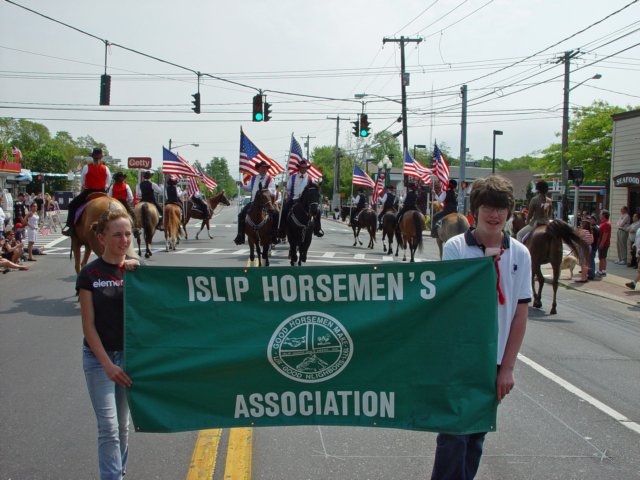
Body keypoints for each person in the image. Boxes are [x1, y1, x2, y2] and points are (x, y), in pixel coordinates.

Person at [432, 175, 531, 480]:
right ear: (476, 210)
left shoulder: (521, 253)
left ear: (509, 212)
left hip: (494, 359)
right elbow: (450, 303)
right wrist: (483, 267)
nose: (495, 215)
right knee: (453, 437)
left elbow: (520, 313)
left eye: (501, 208)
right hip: (459, 358)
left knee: (475, 437)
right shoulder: (456, 248)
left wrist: (507, 367)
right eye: (488, 207)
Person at [77, 209, 140, 480]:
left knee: (123, 426)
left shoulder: (137, 272)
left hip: (129, 357)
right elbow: (88, 325)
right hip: (99, 359)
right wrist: (106, 365)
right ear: (101, 238)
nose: (124, 240)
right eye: (117, 235)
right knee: (109, 427)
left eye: (128, 234)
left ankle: (119, 470)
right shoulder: (89, 274)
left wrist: (139, 271)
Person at [63, 148, 112, 236]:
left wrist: (86, 186)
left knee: (72, 205)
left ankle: (69, 226)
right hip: (102, 192)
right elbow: (108, 181)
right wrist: (105, 187)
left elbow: (82, 181)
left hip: (89, 191)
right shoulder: (106, 168)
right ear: (101, 158)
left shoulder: (86, 167)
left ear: (92, 157)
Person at [234, 161, 276, 245]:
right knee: (241, 215)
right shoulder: (253, 178)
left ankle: (273, 235)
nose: (264, 169)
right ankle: (240, 235)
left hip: (265, 203)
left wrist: (264, 191)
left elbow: (273, 191)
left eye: (265, 168)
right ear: (258, 169)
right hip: (254, 202)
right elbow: (249, 188)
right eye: (262, 168)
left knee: (276, 214)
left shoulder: (270, 179)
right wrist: (242, 185)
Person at [279, 161, 323, 238]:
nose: (304, 169)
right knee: (284, 209)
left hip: (306, 202)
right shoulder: (292, 177)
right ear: (299, 168)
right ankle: (282, 229)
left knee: (318, 211)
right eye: (302, 167)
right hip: (294, 199)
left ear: (307, 169)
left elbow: (315, 189)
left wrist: (318, 183)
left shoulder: (311, 178)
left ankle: (317, 229)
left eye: (305, 168)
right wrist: (285, 187)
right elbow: (288, 188)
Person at [596, 209, 611, 277]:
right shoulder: (603, 223)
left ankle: (601, 271)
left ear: (604, 215)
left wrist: (602, 243)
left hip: (604, 244)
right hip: (602, 243)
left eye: (601, 214)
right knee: (602, 257)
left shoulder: (606, 224)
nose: (599, 215)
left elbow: (605, 234)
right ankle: (602, 271)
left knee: (602, 257)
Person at [588, 214, 599, 281]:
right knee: (591, 260)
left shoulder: (594, 228)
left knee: (591, 260)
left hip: (592, 247)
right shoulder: (596, 227)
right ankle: (590, 273)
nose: (590, 220)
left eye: (591, 219)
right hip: (594, 247)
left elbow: (592, 239)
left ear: (594, 220)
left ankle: (591, 274)